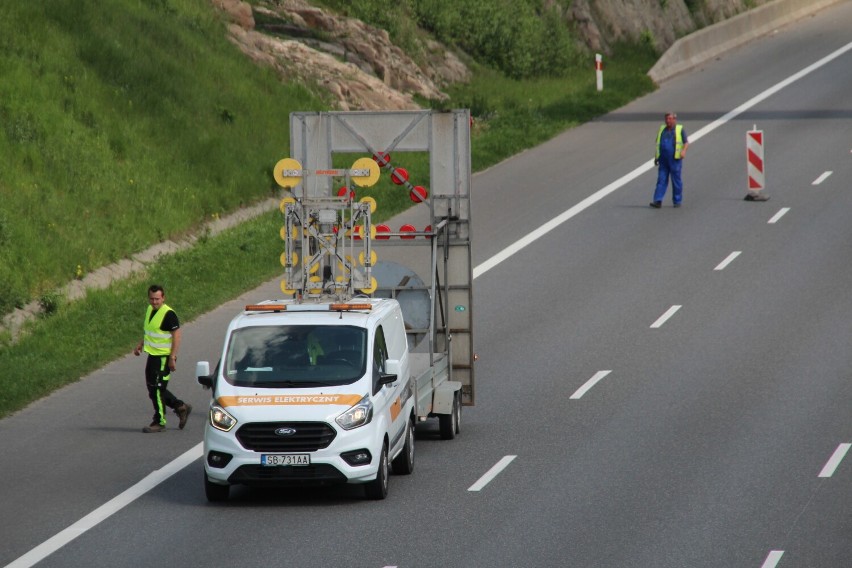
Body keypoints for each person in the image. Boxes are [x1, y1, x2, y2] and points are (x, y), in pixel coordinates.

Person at [133, 284, 191, 433]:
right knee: (153, 388)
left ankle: (159, 421)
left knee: (157, 389)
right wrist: (141, 343)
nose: (154, 302)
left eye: (157, 299)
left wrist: (173, 357)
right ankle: (180, 407)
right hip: (152, 355)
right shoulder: (150, 310)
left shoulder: (168, 314)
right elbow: (151, 331)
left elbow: (177, 336)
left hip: (164, 357)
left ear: (163, 298)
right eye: (152, 299)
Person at [650, 112, 690, 208]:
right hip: (663, 159)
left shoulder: (679, 129)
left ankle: (677, 200)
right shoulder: (662, 129)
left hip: (674, 159)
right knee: (661, 179)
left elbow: (686, 142)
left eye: (670, 119)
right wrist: (656, 157)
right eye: (666, 119)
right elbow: (658, 144)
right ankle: (657, 200)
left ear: (674, 119)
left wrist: (683, 151)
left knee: (676, 180)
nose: (668, 121)